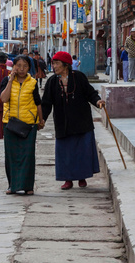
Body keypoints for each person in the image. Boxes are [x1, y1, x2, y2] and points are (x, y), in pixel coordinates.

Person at [41, 51, 106, 190]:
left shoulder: (79, 77)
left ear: (66, 65)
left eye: (57, 63)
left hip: (81, 120)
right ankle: (68, 179)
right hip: (62, 122)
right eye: (53, 63)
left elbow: (90, 93)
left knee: (82, 151)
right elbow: (46, 102)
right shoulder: (52, 81)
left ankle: (82, 177)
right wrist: (42, 119)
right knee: (65, 153)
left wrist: (97, 101)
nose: (54, 66)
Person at [0, 55, 44, 195]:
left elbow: (38, 102)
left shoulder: (32, 82)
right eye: (18, 66)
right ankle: (12, 185)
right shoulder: (7, 80)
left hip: (29, 124)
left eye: (24, 66)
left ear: (29, 68)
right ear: (13, 67)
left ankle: (28, 186)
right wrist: (10, 80)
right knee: (11, 156)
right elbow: (4, 99)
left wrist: (41, 120)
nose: (21, 69)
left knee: (27, 155)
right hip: (10, 123)